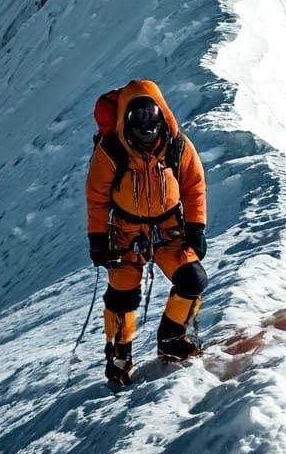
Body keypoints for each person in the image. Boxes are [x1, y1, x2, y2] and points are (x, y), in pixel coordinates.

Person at [85, 78, 207, 386]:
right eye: (136, 117)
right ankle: (118, 354)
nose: (145, 124)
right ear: (125, 118)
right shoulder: (112, 150)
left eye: (150, 115)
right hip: (126, 234)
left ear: (161, 114)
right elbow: (97, 196)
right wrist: (98, 239)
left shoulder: (177, 146)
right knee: (121, 297)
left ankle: (171, 338)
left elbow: (194, 186)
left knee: (192, 279)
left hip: (169, 231)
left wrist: (196, 228)